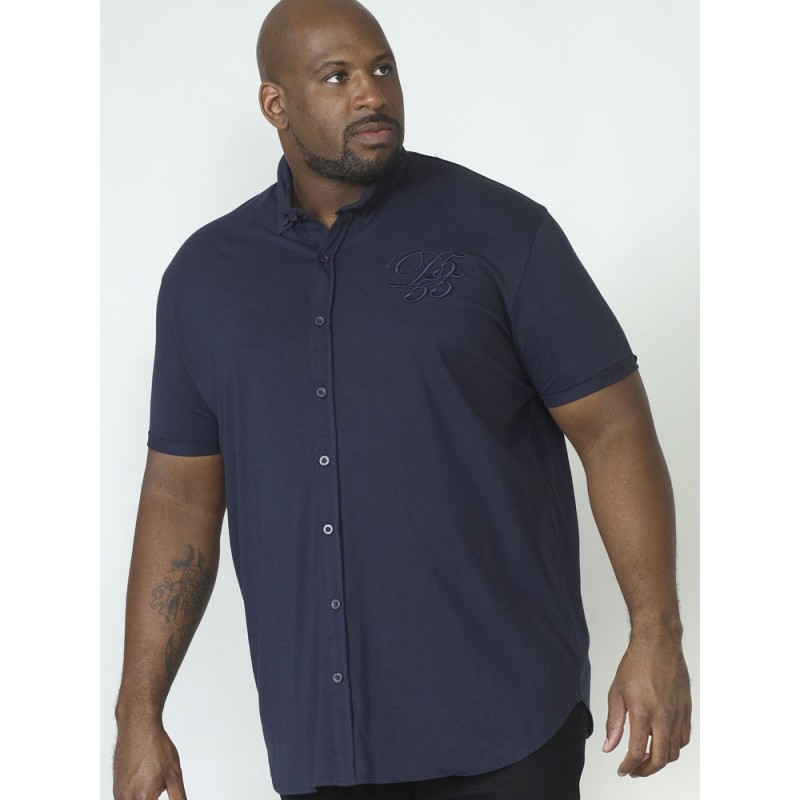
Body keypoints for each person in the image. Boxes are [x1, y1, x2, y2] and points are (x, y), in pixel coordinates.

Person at [112, 1, 692, 798]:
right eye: (337, 76)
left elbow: (613, 428)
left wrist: (656, 635)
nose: (371, 93)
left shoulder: (502, 232)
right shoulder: (205, 280)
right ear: (276, 103)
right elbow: (179, 495)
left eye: (381, 68)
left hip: (508, 733)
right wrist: (139, 713)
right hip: (324, 749)